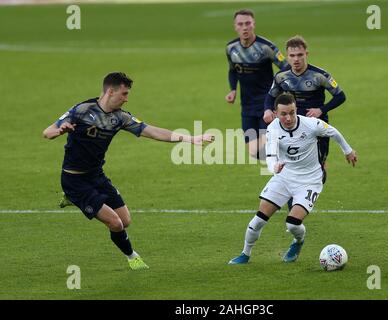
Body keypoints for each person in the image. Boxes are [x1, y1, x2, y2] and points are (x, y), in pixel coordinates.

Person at [43, 72, 214, 270]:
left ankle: (74, 200)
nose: (126, 98)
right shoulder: (82, 110)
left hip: (97, 175)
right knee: (115, 223)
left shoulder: (120, 117)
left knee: (125, 221)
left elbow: (153, 131)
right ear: (110, 91)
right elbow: (47, 133)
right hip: (75, 180)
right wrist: (60, 131)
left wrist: (190, 139)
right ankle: (133, 257)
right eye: (123, 94)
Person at [229, 93, 356, 264]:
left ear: (296, 110)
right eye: (283, 114)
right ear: (275, 113)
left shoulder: (311, 124)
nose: (288, 118)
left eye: (292, 112)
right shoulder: (273, 128)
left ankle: (298, 241)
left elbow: (333, 132)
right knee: (258, 220)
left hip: (309, 181)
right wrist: (274, 167)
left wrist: (347, 151)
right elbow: (271, 155)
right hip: (284, 177)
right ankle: (245, 254)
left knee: (293, 224)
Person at [263, 35, 346, 183]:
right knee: (289, 167)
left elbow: (340, 96)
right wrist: (267, 109)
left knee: (318, 168)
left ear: (306, 54)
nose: (296, 59)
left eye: (300, 55)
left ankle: (307, 196)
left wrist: (321, 109)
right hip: (291, 124)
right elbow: (270, 96)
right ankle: (293, 202)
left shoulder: (320, 75)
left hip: (316, 126)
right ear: (287, 56)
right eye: (292, 55)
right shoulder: (281, 76)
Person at [225, 9, 289, 159]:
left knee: (269, 150)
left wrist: (278, 96)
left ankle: (289, 171)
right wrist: (233, 90)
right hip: (247, 105)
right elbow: (232, 70)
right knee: (255, 152)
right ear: (235, 27)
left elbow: (286, 70)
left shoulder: (267, 47)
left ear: (254, 24)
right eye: (240, 24)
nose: (244, 27)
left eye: (248, 23)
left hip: (266, 104)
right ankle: (289, 161)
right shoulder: (231, 48)